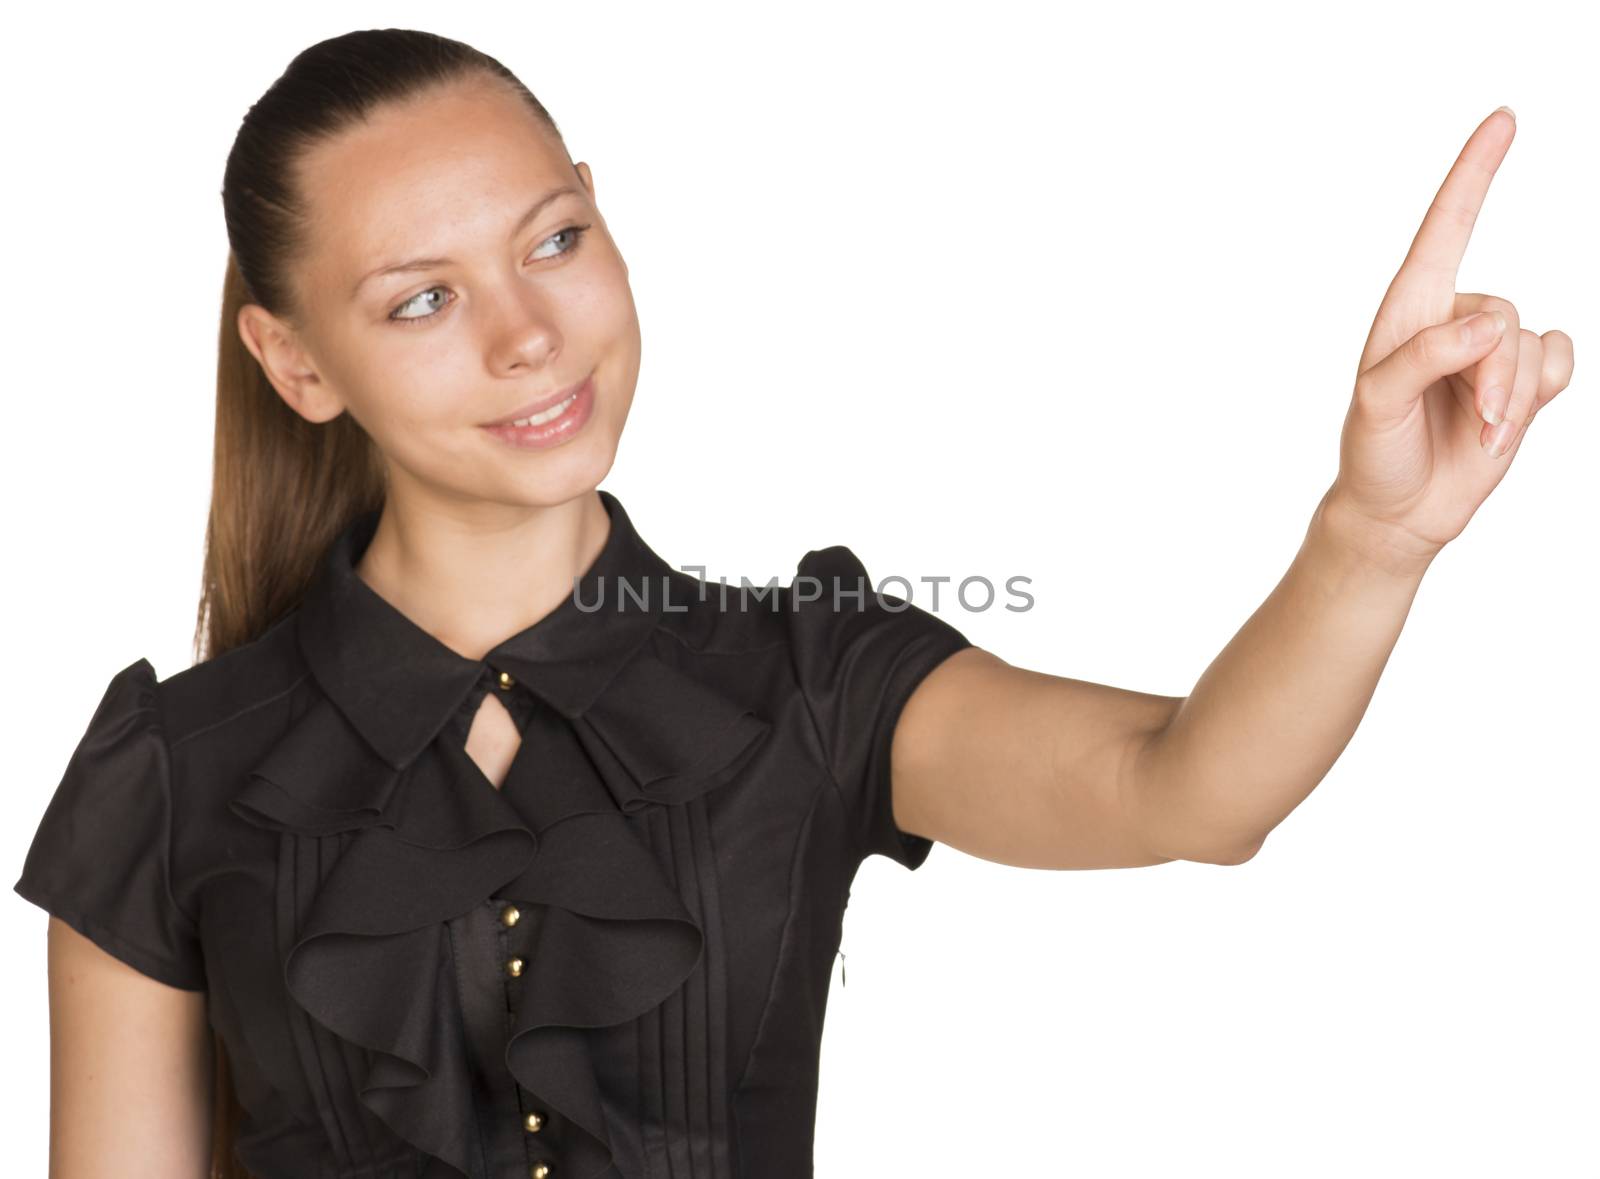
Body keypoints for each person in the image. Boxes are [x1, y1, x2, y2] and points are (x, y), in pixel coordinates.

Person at [11, 26, 1574, 1179]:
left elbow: (1191, 787)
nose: (529, 334)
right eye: (423, 298)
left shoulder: (805, 683)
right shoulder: (171, 776)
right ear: (295, 362)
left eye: (555, 239)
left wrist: (1373, 536)